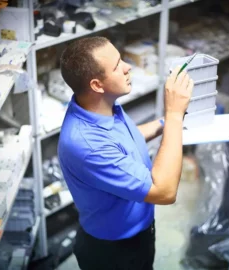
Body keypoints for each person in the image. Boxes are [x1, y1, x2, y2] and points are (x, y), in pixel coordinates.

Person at [58, 36, 193, 270]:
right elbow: (164, 191)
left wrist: (166, 122)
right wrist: (173, 115)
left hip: (138, 234)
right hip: (115, 253)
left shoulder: (99, 107)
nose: (127, 67)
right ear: (96, 85)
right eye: (117, 65)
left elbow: (124, 141)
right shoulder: (86, 144)